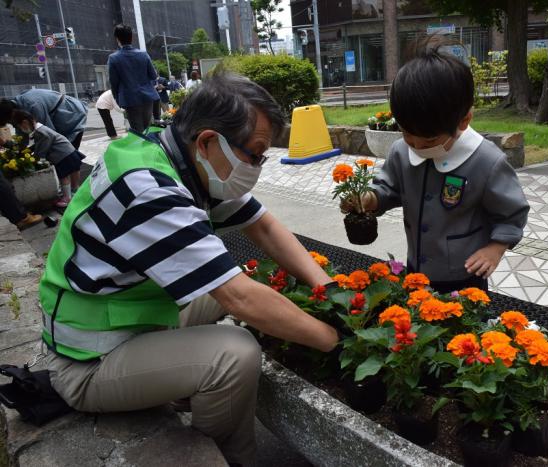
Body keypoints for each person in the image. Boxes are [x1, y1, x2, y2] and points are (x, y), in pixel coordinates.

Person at [41, 73, 338, 466]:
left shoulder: (170, 155)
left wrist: (329, 289)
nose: (258, 166)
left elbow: (263, 225)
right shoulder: (150, 191)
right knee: (235, 353)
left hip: (128, 320)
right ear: (209, 141)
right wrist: (336, 339)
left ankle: (182, 383)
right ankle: (223, 454)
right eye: (256, 153)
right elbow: (238, 297)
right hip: (87, 363)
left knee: (229, 293)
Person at [343, 45, 529, 294]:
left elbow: (511, 212)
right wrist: (370, 198)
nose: (417, 146)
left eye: (429, 141)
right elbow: (389, 188)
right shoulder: (401, 151)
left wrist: (495, 248)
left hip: (464, 275)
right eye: (408, 134)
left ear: (464, 120)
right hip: (416, 269)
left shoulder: (486, 161)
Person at [11, 110, 84, 208]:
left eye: (20, 126)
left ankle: (67, 198)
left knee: (64, 177)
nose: (21, 129)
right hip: (68, 152)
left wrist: (36, 158)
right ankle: (75, 190)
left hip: (62, 155)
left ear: (25, 123)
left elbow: (43, 148)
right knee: (74, 170)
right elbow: (39, 144)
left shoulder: (40, 132)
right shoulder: (41, 128)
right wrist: (29, 150)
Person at [107, 24, 160, 134]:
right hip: (148, 97)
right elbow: (153, 76)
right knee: (147, 129)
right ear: (131, 38)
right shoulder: (143, 54)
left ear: (117, 39)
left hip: (129, 99)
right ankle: (150, 149)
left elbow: (114, 82)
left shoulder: (114, 58)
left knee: (137, 132)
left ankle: (142, 150)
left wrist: (118, 99)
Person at [0, 89, 87, 150]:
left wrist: (34, 153)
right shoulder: (16, 110)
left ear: (11, 115)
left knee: (67, 153)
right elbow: (22, 140)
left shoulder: (32, 105)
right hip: (58, 118)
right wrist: (9, 145)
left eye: (9, 122)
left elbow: (48, 135)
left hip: (71, 114)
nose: (12, 124)